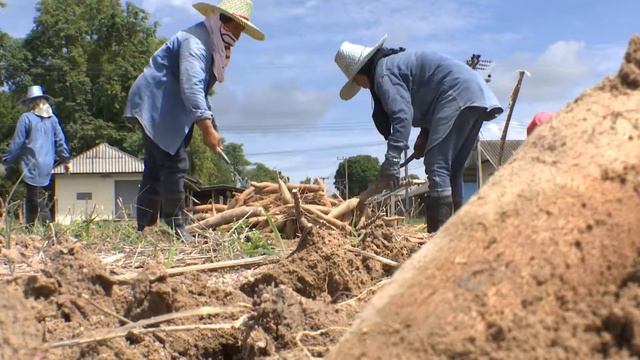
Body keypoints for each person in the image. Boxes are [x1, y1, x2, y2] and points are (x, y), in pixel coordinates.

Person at [124, 0, 265, 240]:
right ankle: (175, 226)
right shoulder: (196, 43)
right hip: (157, 103)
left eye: (242, 31)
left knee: (155, 169)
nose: (238, 37)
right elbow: (191, 88)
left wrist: (212, 124)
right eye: (236, 29)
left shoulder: (210, 42)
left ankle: (144, 229)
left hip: (163, 105)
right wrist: (206, 128)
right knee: (174, 164)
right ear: (223, 20)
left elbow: (200, 90)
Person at [335, 35, 503, 232]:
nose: (363, 87)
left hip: (457, 94)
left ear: (361, 72)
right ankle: (457, 234)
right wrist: (424, 136)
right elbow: (432, 93)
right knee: (453, 169)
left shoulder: (383, 74)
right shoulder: (395, 65)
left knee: (436, 164)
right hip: (474, 95)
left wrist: (392, 160)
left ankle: (437, 239)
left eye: (358, 81)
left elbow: (402, 116)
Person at [2, 85, 71, 225]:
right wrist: (66, 160)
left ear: (30, 103)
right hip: (47, 164)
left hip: (31, 164)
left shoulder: (26, 118)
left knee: (37, 198)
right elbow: (60, 141)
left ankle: (50, 229)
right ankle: (30, 227)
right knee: (32, 197)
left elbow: (17, 144)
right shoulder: (53, 120)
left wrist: (6, 161)